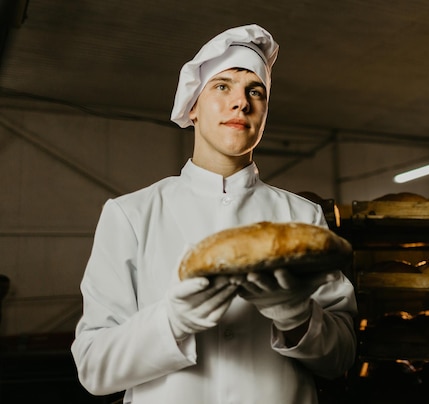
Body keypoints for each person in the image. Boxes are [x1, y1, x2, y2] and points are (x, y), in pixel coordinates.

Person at [71, 24, 357, 404]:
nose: (241, 102)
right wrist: (172, 320)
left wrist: (296, 315)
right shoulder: (130, 214)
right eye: (222, 86)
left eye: (255, 92)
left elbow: (340, 358)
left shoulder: (302, 217)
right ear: (192, 106)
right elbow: (94, 368)